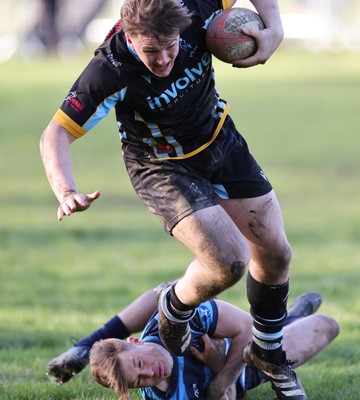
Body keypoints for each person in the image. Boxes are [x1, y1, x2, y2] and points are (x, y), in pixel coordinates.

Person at [40, 0, 301, 398]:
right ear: (129, 37)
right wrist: (65, 189)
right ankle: (174, 307)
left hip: (218, 142)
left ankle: (268, 351)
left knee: (276, 254)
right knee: (229, 262)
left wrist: (275, 28)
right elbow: (55, 135)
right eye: (150, 51)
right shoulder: (109, 70)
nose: (162, 60)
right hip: (161, 168)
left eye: (171, 47)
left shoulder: (196, 7)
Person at [85, 289, 338, 399]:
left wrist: (219, 380)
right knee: (325, 326)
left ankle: (290, 316)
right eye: (139, 381)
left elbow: (247, 328)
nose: (151, 373)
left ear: (134, 341)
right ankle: (293, 316)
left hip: (249, 343)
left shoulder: (174, 323)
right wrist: (219, 369)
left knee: (196, 286)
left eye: (140, 363)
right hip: (247, 371)